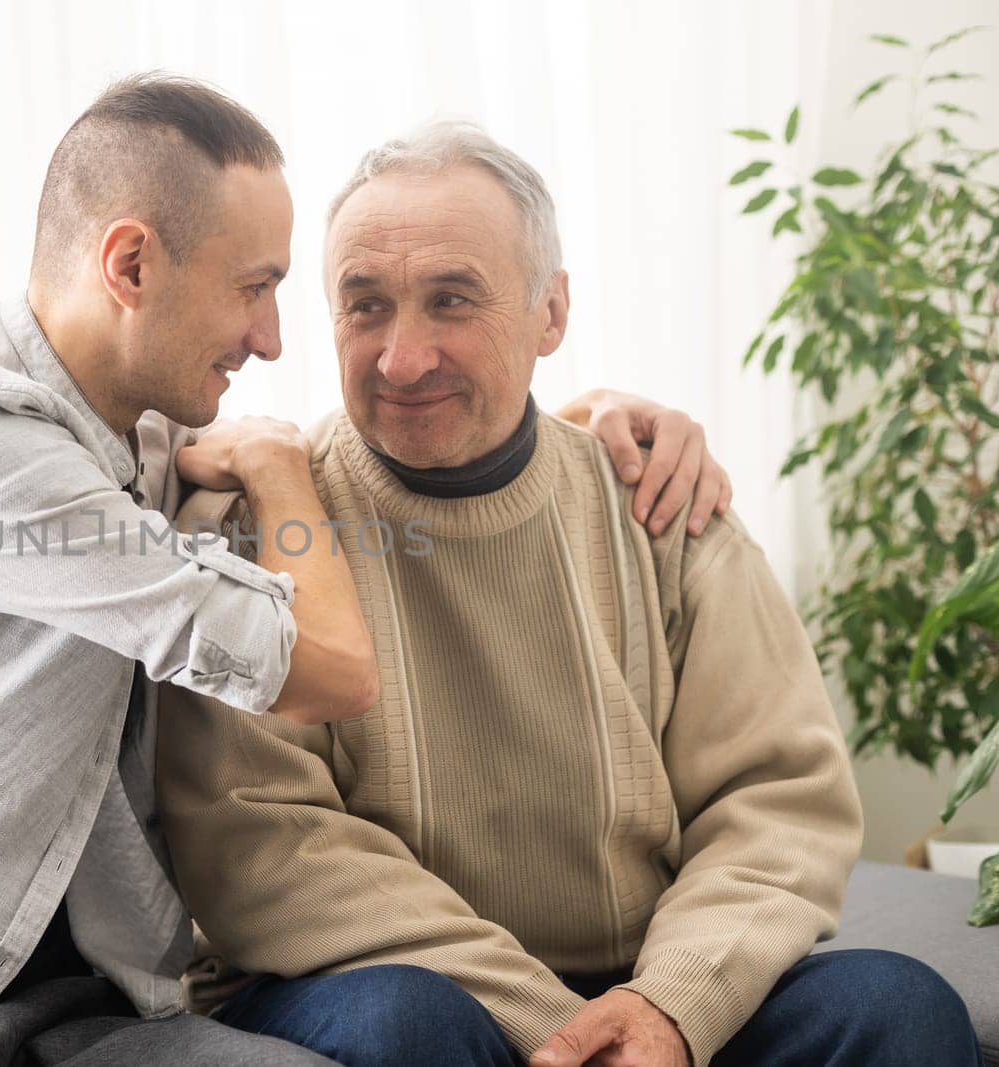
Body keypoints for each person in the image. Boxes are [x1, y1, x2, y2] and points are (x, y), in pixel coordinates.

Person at [0, 77, 732, 1066]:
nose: (274, 336)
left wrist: (592, 424)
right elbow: (327, 665)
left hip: (59, 1011)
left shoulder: (139, 442)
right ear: (132, 262)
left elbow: (450, 449)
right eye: (254, 285)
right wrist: (282, 470)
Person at [155, 120, 985, 1067]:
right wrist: (558, 1030)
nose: (402, 356)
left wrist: (670, 1008)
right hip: (379, 986)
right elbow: (264, 847)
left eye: (452, 300)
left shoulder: (663, 502)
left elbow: (777, 801)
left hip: (645, 984)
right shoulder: (263, 528)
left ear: (551, 313)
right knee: (404, 1025)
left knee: (898, 1006)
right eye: (366, 305)